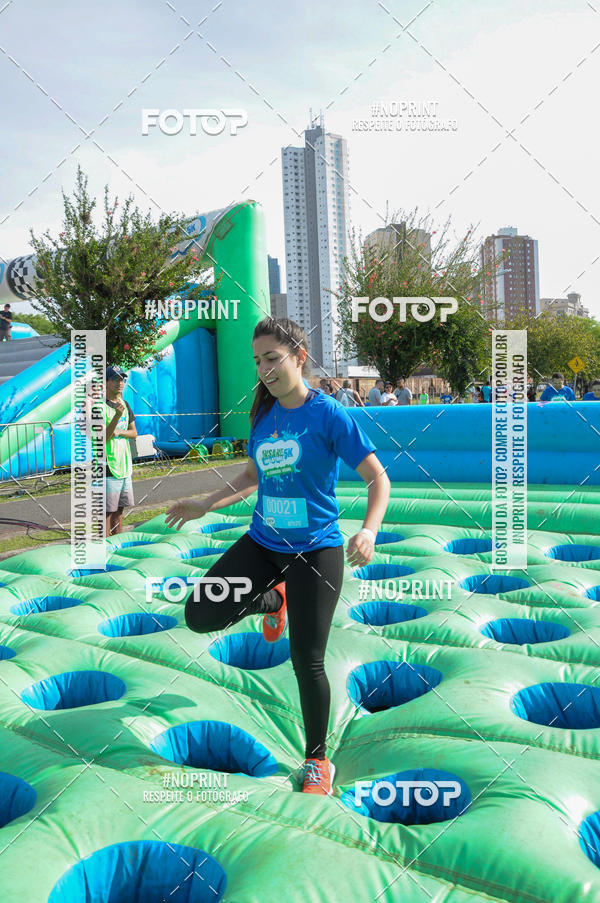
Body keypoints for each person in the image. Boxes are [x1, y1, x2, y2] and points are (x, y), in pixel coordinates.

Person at [165, 317, 390, 796]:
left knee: (306, 660)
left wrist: (368, 531)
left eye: (272, 358)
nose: (264, 369)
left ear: (299, 357)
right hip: (263, 545)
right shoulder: (264, 415)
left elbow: (378, 478)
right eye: (258, 361)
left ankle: (317, 761)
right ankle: (273, 601)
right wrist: (205, 502)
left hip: (316, 551)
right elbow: (251, 476)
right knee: (201, 613)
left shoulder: (329, 414)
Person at [105, 365, 137, 535]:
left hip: (124, 464)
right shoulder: (99, 407)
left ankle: (118, 542)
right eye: (115, 379)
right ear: (107, 382)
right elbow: (102, 437)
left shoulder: (125, 404)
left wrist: (120, 432)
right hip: (107, 465)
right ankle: (104, 547)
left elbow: (134, 433)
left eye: (122, 379)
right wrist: (117, 416)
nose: (120, 382)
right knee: (107, 512)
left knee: (119, 510)